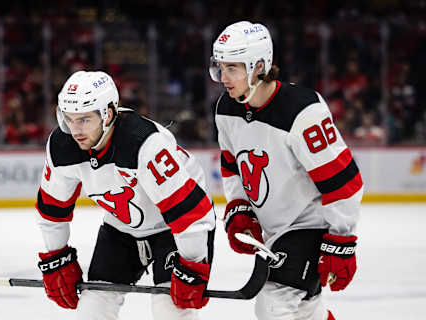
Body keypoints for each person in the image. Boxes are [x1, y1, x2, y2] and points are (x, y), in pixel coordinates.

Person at [210, 21, 363, 320]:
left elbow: (343, 181)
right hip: (275, 233)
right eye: (220, 67)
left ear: (258, 66)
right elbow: (232, 165)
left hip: (311, 226)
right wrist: (240, 206)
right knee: (307, 312)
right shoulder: (226, 109)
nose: (223, 78)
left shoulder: (303, 111)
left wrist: (342, 241)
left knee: (273, 305)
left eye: (232, 68)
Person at [36, 70, 216, 320]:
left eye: (85, 120)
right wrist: (56, 256)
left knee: (170, 310)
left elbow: (187, 210)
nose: (75, 130)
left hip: (173, 229)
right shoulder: (61, 145)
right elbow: (52, 207)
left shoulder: (144, 143)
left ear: (108, 113)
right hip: (121, 230)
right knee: (92, 311)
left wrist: (193, 266)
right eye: (69, 119)